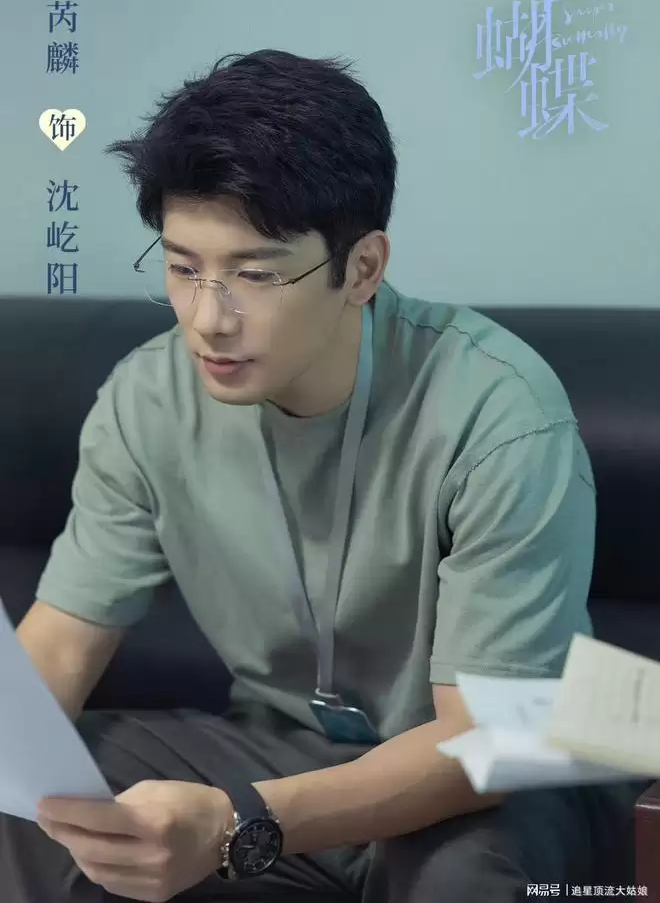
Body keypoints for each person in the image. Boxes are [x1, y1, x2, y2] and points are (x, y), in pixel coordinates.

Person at [0, 49, 642, 903]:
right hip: (278, 750)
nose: (208, 319)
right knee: (39, 803)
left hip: (490, 776)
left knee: (461, 878)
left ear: (363, 269)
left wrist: (239, 821)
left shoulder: (498, 414)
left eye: (256, 274)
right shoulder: (145, 400)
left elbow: (483, 741)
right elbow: (60, 647)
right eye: (184, 267)